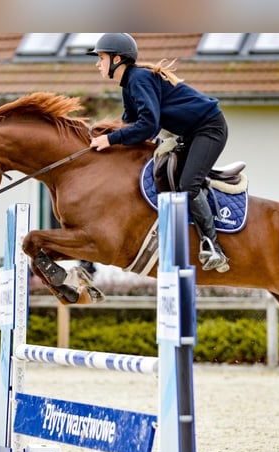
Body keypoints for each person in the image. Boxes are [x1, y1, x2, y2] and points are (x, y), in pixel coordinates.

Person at [87, 33, 230, 273]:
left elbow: (148, 125)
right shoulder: (129, 86)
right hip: (190, 134)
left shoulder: (138, 79)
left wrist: (110, 139)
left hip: (209, 129)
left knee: (188, 185)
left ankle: (213, 246)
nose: (97, 64)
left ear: (117, 59)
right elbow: (130, 126)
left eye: (101, 58)